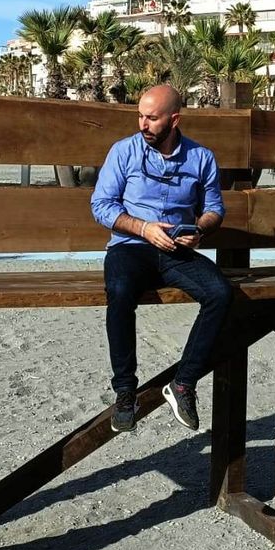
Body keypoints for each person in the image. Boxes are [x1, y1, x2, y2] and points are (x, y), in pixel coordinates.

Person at [90, 84, 229, 434]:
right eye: (140, 116)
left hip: (177, 250)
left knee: (221, 294)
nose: (143, 124)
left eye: (151, 118)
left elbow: (213, 208)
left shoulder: (201, 158)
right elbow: (101, 206)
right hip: (130, 246)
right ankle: (125, 391)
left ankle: (183, 384)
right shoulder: (123, 152)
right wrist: (142, 227)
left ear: (174, 119)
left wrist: (199, 229)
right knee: (119, 291)